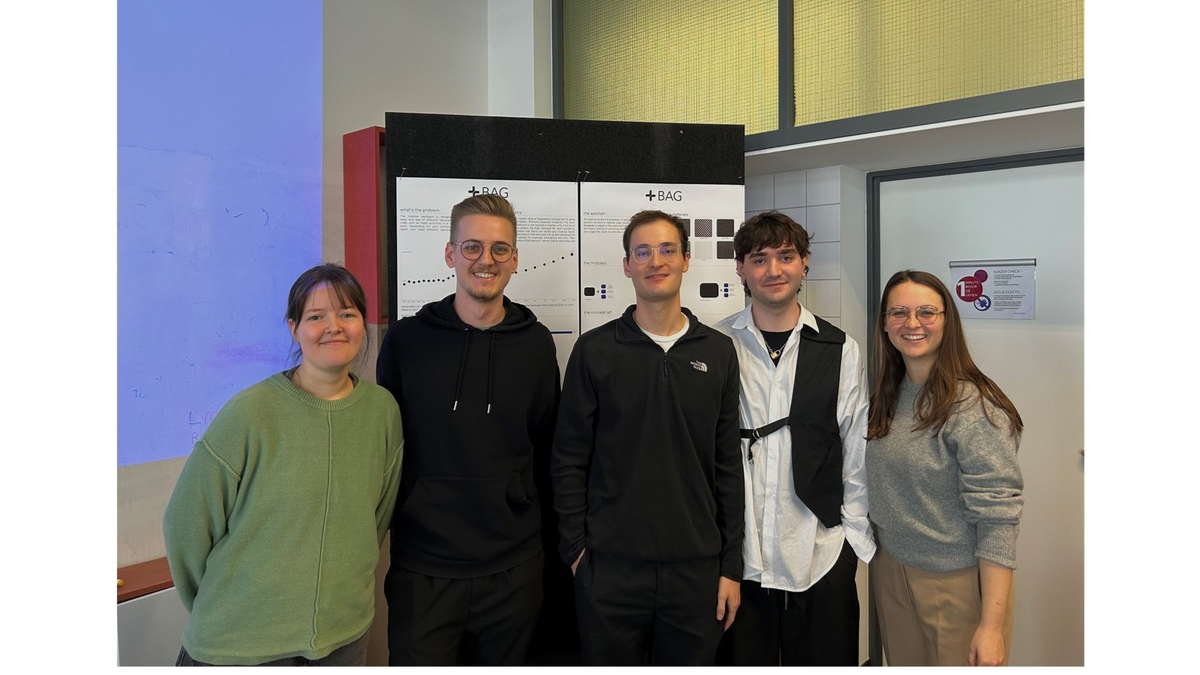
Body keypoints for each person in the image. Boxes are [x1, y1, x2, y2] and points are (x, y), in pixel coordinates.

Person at [163, 264, 404, 666]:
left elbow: (374, 519)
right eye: (315, 317)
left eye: (347, 313)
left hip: (342, 638)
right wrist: (223, 604)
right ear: (293, 328)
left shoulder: (382, 412)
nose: (334, 326)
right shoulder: (251, 413)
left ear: (363, 323)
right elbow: (186, 523)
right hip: (240, 643)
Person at [551, 209, 744, 666]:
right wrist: (576, 551)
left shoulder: (717, 352)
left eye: (666, 250)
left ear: (685, 259)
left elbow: (727, 466)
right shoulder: (595, 350)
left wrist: (731, 566)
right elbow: (568, 458)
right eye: (642, 251)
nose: (655, 261)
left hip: (696, 571)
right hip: (610, 570)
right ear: (626, 265)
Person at [375, 194, 561, 666]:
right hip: (425, 570)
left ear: (515, 259)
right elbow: (386, 448)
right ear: (450, 253)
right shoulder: (407, 341)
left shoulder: (536, 345)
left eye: (500, 249)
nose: (486, 260)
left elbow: (544, 449)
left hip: (514, 569)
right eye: (472, 246)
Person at [712, 211, 874, 665]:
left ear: (805, 263)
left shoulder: (839, 347)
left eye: (786, 256)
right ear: (740, 269)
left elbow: (856, 444)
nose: (774, 270)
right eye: (759, 259)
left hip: (819, 546)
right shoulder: (717, 343)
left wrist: (852, 538)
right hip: (739, 551)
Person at [866, 269, 1024, 667]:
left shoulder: (973, 406)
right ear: (885, 324)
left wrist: (990, 626)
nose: (912, 323)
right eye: (899, 312)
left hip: (956, 583)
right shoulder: (891, 393)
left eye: (926, 312)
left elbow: (998, 518)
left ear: (947, 321)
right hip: (892, 573)